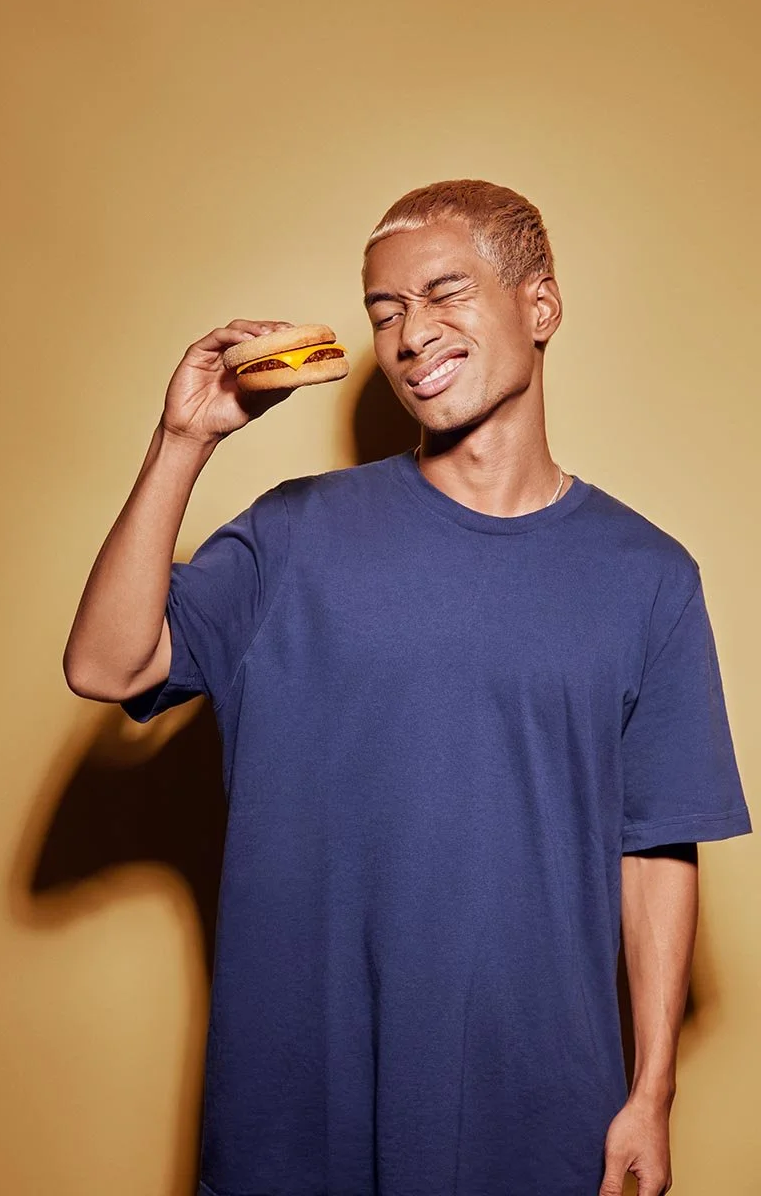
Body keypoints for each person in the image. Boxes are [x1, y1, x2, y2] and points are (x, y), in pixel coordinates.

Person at [63, 179, 752, 1196]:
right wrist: (184, 441)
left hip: (534, 1109)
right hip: (295, 1107)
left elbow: (653, 847)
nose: (410, 333)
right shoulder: (294, 534)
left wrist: (650, 1093)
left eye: (444, 293)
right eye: (384, 311)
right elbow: (105, 665)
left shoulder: (645, 575)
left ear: (539, 307)